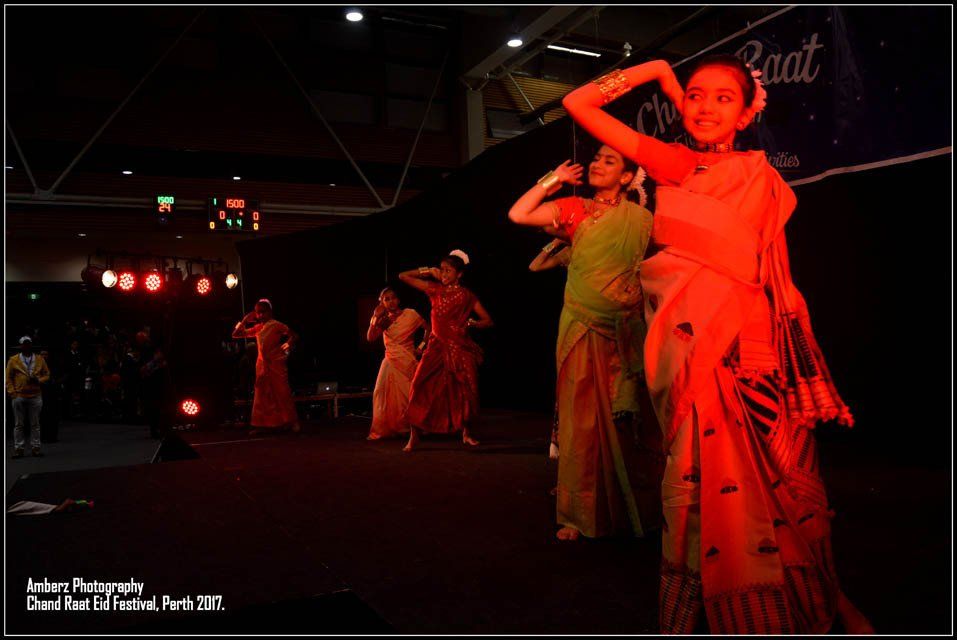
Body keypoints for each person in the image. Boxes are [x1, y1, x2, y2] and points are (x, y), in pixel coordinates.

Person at [562, 55, 872, 633]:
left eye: (723, 98)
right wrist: (656, 71)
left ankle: (822, 597)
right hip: (690, 350)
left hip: (755, 343)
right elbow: (577, 105)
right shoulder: (673, 163)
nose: (705, 107)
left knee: (788, 480)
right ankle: (720, 607)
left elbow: (770, 271)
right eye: (697, 95)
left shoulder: (759, 174)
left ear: (748, 112)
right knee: (701, 481)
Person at [508, 145, 661, 542]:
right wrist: (553, 179)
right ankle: (578, 513)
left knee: (628, 418)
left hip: (626, 329)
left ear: (628, 177)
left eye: (609, 161)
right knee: (581, 419)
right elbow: (519, 214)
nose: (596, 163)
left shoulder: (641, 220)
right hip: (582, 325)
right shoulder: (576, 208)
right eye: (596, 158)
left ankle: (638, 507)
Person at [398, 251, 493, 451]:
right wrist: (427, 271)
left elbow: (488, 321)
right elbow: (403, 276)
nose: (443, 274)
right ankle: (414, 435)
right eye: (442, 270)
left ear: (459, 274)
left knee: (465, 391)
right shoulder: (434, 290)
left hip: (459, 347)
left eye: (448, 271)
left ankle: (466, 433)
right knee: (420, 386)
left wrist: (472, 323)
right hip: (435, 347)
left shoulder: (467, 296)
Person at [366, 287, 429, 440]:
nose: (391, 301)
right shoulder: (383, 320)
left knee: (409, 395)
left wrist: (421, 347)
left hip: (408, 359)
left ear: (398, 300)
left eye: (393, 298)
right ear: (381, 303)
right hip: (390, 360)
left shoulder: (410, 314)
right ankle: (388, 427)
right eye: (386, 299)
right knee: (381, 394)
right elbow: (370, 337)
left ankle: (413, 427)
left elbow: (429, 328)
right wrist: (375, 318)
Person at [232, 299, 300, 435]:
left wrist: (288, 345)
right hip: (262, 365)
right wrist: (245, 320)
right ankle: (262, 425)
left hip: (276, 363)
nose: (260, 315)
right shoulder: (258, 328)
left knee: (282, 393)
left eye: (263, 312)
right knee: (262, 395)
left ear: (269, 312)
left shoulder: (276, 325)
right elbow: (236, 334)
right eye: (258, 313)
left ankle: (291, 422)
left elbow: (294, 335)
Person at [6, 336, 51, 458]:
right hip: (19, 395)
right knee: (19, 424)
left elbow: (47, 374)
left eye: (28, 344)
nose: (26, 346)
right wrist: (12, 393)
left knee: (35, 423)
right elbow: (8, 377)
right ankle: (19, 449)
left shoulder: (39, 359)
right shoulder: (13, 360)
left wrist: (39, 380)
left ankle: (36, 448)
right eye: (24, 344)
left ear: (31, 345)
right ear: (20, 346)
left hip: (35, 395)